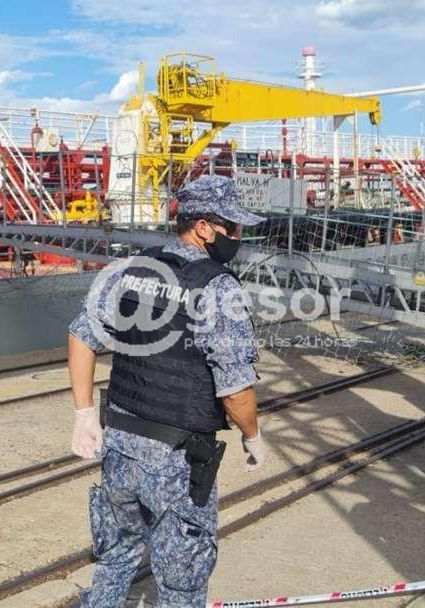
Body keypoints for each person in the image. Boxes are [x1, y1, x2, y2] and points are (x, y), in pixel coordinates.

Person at [68, 175, 269, 607]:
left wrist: (83, 413)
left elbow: (83, 335)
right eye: (233, 227)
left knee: (115, 558)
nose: (238, 236)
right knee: (182, 585)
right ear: (204, 228)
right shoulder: (218, 286)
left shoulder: (131, 268)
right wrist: (252, 436)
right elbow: (235, 389)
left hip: (120, 448)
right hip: (177, 459)